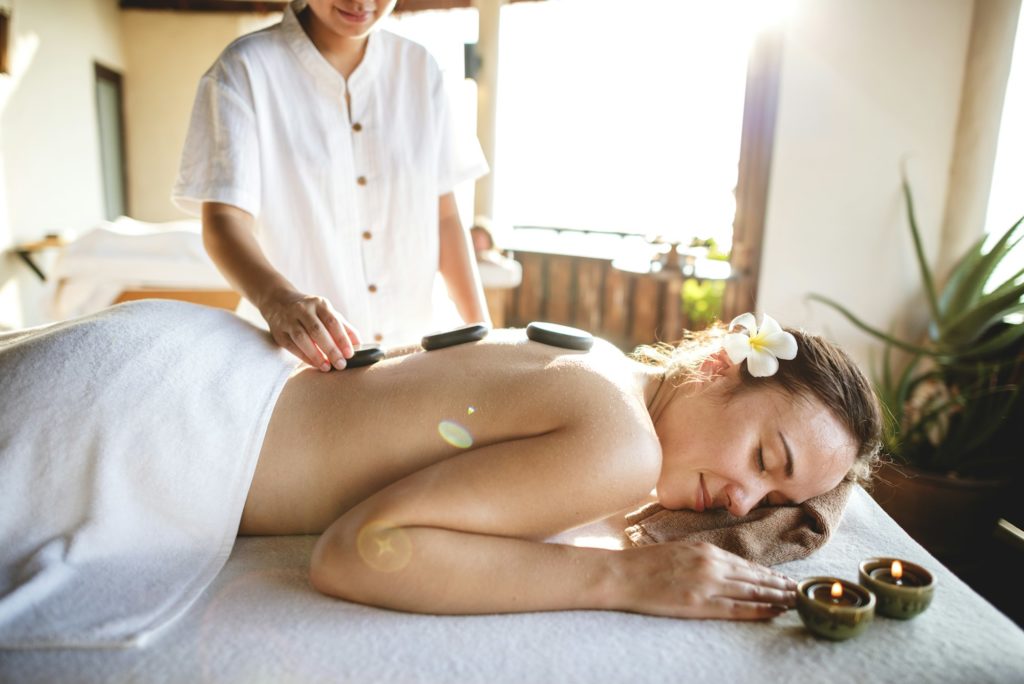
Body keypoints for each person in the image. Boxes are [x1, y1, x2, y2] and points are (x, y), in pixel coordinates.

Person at [0, 302, 880, 629]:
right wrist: (629, 580)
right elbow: (358, 552)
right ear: (722, 362)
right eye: (764, 457)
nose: (743, 503)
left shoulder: (599, 360)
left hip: (173, 352)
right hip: (150, 428)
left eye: (774, 498)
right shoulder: (623, 443)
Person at [172, 0, 491, 372]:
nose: (361, 3)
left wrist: (484, 338)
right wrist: (280, 300)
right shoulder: (244, 69)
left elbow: (445, 216)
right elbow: (224, 220)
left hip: (412, 357)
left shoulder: (422, 68)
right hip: (296, 364)